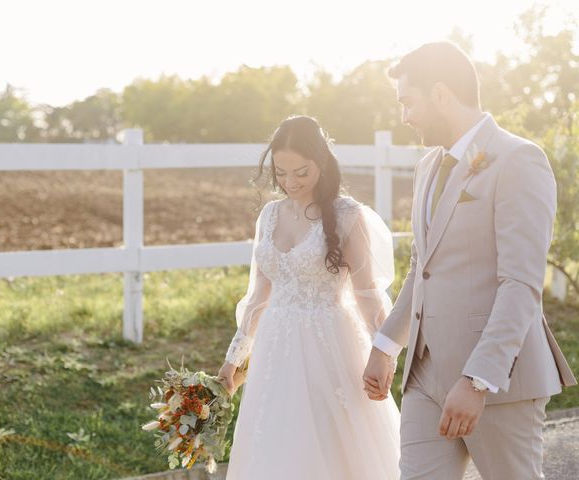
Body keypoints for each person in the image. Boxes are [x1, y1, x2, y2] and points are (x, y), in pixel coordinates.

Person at [363, 41, 577, 479]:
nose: (405, 117)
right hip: (424, 377)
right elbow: (422, 269)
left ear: (441, 94)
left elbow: (520, 283)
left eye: (408, 102)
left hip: (499, 380)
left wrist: (478, 379)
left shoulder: (519, 160)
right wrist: (386, 346)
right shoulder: (427, 166)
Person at [218, 115, 400, 479]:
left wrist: (386, 353)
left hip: (331, 345)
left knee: (338, 451)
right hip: (274, 349)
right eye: (281, 173)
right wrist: (233, 360)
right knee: (276, 447)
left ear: (322, 161)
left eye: (301, 172)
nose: (290, 183)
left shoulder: (347, 215)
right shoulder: (269, 215)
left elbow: (367, 295)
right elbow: (257, 299)